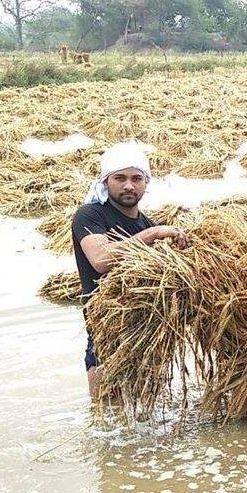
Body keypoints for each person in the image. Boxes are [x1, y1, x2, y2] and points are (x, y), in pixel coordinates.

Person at [72, 141, 188, 399]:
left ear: (146, 183)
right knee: (107, 410)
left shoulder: (146, 223)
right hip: (106, 328)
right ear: (105, 181)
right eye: (120, 178)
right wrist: (155, 233)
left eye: (137, 178)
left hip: (146, 329)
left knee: (146, 405)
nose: (128, 185)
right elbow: (101, 259)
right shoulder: (90, 216)